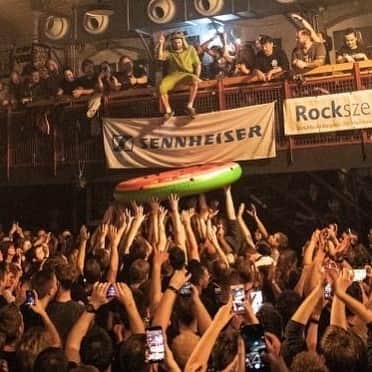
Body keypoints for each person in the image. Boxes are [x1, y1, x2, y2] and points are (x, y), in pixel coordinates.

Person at [156, 31, 201, 121]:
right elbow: (160, 57)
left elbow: (198, 64)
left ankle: (190, 106)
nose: (177, 44)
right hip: (173, 75)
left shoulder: (190, 49)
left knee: (194, 80)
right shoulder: (169, 51)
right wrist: (161, 43)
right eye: (175, 42)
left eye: (178, 42)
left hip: (186, 74)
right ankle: (168, 111)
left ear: (183, 41)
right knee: (161, 86)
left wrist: (197, 76)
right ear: (172, 42)